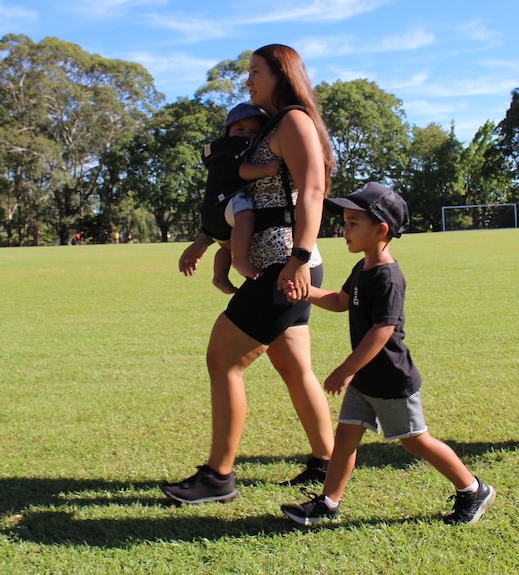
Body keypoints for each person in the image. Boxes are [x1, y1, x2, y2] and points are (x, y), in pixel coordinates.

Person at [163, 44, 337, 504]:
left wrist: (298, 257)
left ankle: (218, 477)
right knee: (294, 367)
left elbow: (314, 189)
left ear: (281, 74)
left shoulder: (294, 120)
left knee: (223, 359)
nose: (248, 80)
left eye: (256, 71)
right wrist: (205, 242)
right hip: (281, 265)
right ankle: (327, 462)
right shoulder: (271, 128)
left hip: (284, 266)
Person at [280, 183, 496, 526]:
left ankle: (472, 489)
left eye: (353, 223)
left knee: (416, 441)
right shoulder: (362, 268)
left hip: (391, 378)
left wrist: (347, 369)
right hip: (367, 378)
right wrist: (306, 293)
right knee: (346, 438)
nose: (344, 230)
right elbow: (339, 301)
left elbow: (382, 330)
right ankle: (328, 503)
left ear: (380, 230)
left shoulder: (388, 277)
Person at [201, 103, 282, 294]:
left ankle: (220, 276)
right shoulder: (229, 153)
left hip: (213, 214)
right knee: (245, 214)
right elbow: (240, 172)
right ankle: (241, 259)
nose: (246, 135)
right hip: (225, 205)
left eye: (253, 132)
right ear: (228, 132)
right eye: (240, 129)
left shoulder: (222, 153)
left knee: (226, 246)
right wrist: (265, 169)